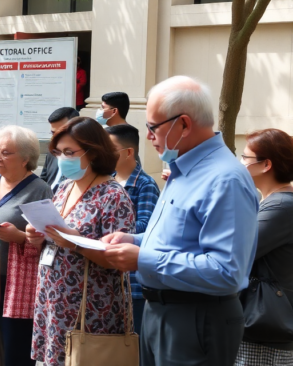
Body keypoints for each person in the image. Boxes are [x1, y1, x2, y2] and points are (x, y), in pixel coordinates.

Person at [102, 76, 259, 366]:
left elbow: (227, 271)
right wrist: (134, 241)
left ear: (184, 124)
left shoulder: (225, 179)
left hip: (195, 317)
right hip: (163, 312)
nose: (148, 136)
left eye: (153, 127)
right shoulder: (184, 167)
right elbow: (177, 238)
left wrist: (143, 258)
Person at [25, 117, 135, 366]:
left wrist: (76, 243)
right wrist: (38, 236)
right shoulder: (64, 187)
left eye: (69, 152)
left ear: (93, 152)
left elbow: (118, 260)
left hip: (90, 311)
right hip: (53, 304)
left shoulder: (113, 196)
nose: (62, 159)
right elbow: (54, 235)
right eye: (58, 152)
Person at [0, 125, 51, 366]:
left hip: (17, 284)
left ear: (25, 159)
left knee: (13, 350)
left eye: (6, 153)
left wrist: (19, 236)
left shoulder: (39, 189)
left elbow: (51, 240)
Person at [235, 129, 293, 366]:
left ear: (266, 164)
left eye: (245, 158)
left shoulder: (281, 206)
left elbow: (238, 249)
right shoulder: (273, 201)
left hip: (265, 333)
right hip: (262, 327)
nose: (240, 163)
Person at [106, 123, 160, 333]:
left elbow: (145, 227)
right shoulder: (107, 181)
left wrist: (108, 233)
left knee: (134, 346)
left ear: (128, 152)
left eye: (109, 149)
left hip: (134, 285)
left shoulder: (145, 184)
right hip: (110, 279)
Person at [41, 107, 80, 193]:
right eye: (53, 133)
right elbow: (43, 181)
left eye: (61, 132)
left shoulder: (84, 156)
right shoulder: (52, 152)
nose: (55, 138)